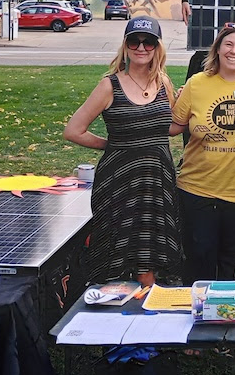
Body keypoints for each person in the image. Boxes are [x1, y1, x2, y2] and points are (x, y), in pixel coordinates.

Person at [64, 17, 180, 285]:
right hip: (120, 181)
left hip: (157, 179)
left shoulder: (164, 83)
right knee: (117, 247)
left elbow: (168, 126)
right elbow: (73, 130)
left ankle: (146, 307)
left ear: (157, 47)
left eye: (148, 42)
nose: (141, 47)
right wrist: (113, 145)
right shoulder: (109, 85)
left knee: (149, 246)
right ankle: (109, 310)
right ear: (125, 46)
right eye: (134, 41)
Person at [171, 23, 235, 281]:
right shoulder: (196, 84)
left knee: (233, 262)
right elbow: (174, 126)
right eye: (228, 44)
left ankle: (229, 316)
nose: (233, 51)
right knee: (199, 258)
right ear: (217, 49)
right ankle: (195, 315)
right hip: (198, 189)